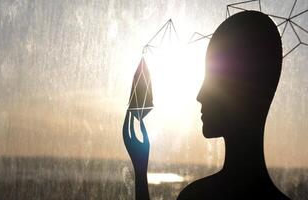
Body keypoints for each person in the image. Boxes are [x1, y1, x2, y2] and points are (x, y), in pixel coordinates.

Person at [123, 11, 290, 199]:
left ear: (248, 93)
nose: (200, 95)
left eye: (213, 81)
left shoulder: (197, 196)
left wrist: (140, 170)